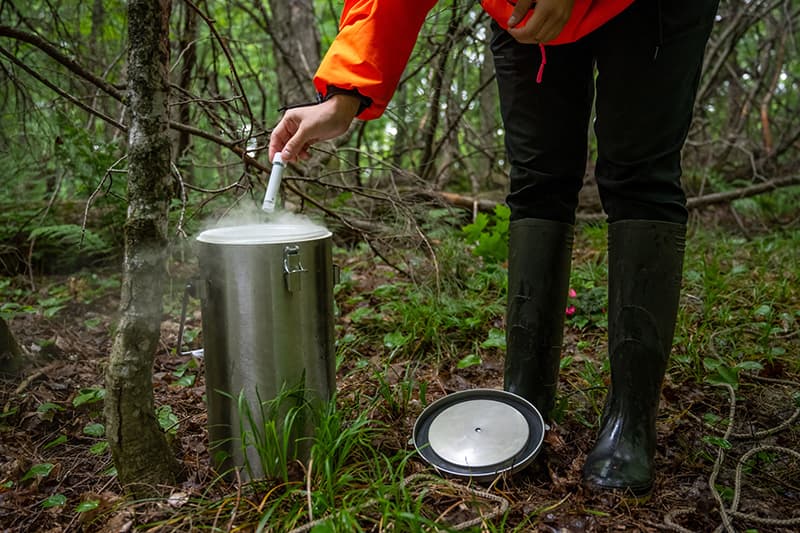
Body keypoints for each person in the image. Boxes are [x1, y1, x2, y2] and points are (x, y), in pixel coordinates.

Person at [268, 0, 720, 496]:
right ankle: (525, 400)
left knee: (641, 177)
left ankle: (630, 420)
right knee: (537, 184)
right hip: (525, 16)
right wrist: (346, 91)